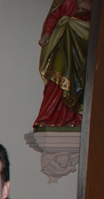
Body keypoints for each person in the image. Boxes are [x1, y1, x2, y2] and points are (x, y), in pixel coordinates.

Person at [33, 0, 91, 128]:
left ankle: (76, 119)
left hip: (83, 46)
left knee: (81, 82)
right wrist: (46, 34)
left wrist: (89, 9)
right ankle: (49, 117)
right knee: (56, 79)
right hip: (63, 44)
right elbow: (54, 16)